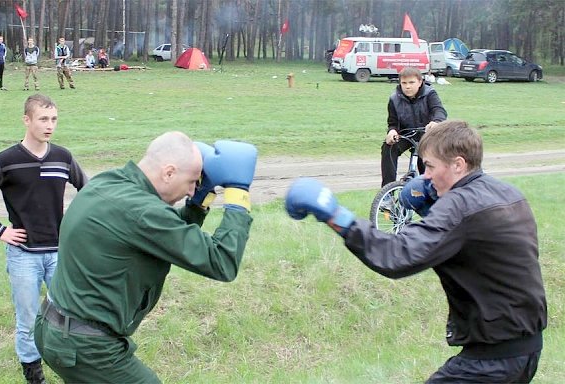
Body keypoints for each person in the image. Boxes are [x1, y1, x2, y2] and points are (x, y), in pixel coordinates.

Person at [285, 120, 546, 383]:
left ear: (458, 164)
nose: (426, 177)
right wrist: (434, 217)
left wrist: (337, 217)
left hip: (492, 360)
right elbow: (480, 248)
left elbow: (396, 256)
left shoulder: (459, 206)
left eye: (430, 166)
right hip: (526, 348)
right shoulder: (509, 194)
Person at [34, 132, 258, 383]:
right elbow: (222, 262)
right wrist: (238, 196)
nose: (192, 190)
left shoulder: (110, 182)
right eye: (192, 181)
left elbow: (162, 234)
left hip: (55, 326)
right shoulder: (142, 211)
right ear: (169, 173)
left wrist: (198, 204)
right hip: (85, 346)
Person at [0, 94, 88, 384]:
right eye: (43, 119)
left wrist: (78, 225)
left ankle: (73, 368)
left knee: (70, 314)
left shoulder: (63, 157)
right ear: (27, 120)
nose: (50, 126)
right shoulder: (7, 161)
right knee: (28, 319)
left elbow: (90, 191)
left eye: (54, 119)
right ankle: (34, 377)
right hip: (23, 256)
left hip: (59, 253)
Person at [381, 66, 447, 188]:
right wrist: (392, 131)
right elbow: (393, 122)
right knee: (388, 147)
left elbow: (439, 111)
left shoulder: (429, 94)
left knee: (425, 165)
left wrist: (436, 122)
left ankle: (432, 191)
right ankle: (387, 191)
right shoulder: (394, 99)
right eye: (404, 83)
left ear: (420, 82)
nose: (407, 86)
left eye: (411, 82)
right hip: (407, 135)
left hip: (428, 135)